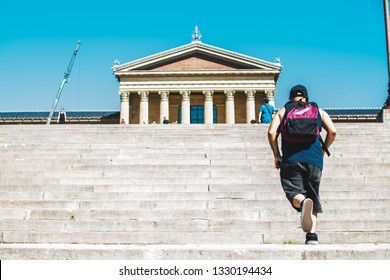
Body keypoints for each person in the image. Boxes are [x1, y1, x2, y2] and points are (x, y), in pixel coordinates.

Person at [267, 84, 337, 245]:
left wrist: (276, 154)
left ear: (290, 97)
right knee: (313, 194)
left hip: (291, 159)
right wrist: (323, 150)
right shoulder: (317, 111)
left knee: (294, 193)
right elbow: (333, 131)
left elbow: (271, 132)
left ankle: (303, 202)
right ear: (306, 97)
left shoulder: (284, 111)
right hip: (314, 160)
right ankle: (312, 236)